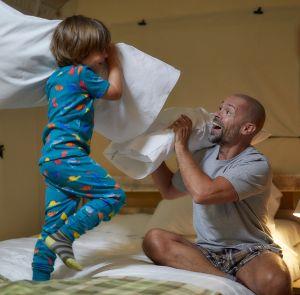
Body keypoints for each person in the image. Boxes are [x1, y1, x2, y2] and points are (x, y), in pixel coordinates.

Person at [143, 94, 292, 295]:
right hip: (205, 251)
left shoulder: (256, 164)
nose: (217, 115)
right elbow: (169, 190)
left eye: (227, 112)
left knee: (275, 280)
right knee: (154, 239)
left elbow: (204, 194)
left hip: (249, 251)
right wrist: (150, 150)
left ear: (247, 128)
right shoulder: (202, 155)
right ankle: (229, 282)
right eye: (219, 108)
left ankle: (231, 278)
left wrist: (181, 146)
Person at [32, 15, 126, 281]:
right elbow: (115, 92)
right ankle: (65, 237)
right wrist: (116, 60)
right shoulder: (82, 74)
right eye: (101, 49)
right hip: (68, 156)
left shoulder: (55, 79)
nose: (105, 55)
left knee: (53, 222)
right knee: (113, 195)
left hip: (51, 160)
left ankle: (39, 281)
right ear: (81, 50)